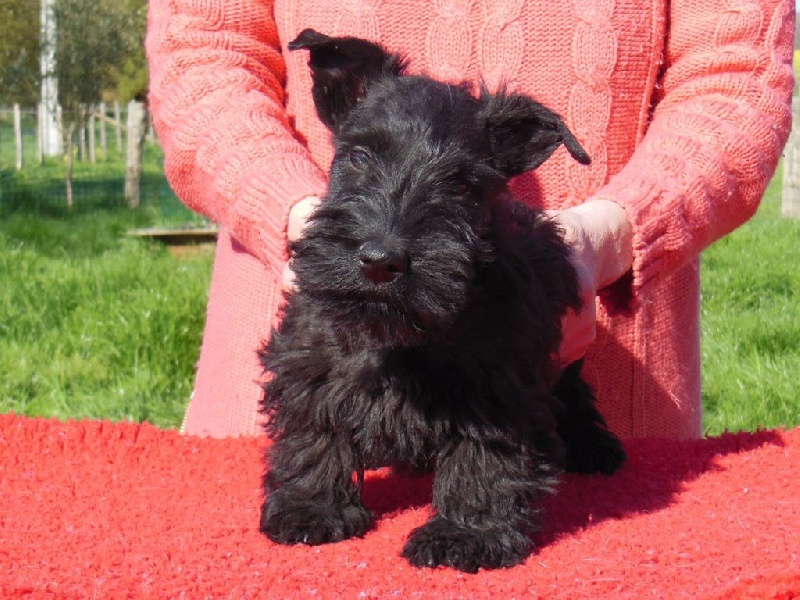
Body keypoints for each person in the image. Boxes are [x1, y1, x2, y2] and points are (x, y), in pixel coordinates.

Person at [146, 0, 795, 439]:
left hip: (581, 415)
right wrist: (290, 210)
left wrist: (610, 239)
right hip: (308, 403)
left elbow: (736, 78)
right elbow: (204, 53)